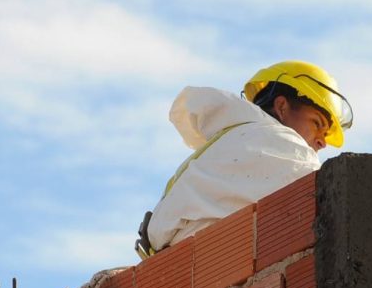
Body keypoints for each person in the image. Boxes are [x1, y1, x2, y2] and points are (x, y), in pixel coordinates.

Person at [137, 60, 352, 255]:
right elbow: (325, 201)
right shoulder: (283, 143)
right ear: (282, 107)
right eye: (317, 124)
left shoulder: (233, 141)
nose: (322, 142)